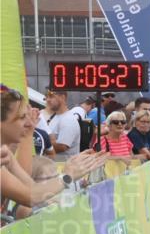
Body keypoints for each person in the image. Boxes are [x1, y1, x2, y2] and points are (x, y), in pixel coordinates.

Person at [0, 89, 107, 221]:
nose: (29, 123)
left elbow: (31, 186)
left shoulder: (6, 154)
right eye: (22, 117)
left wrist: (28, 134)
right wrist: (67, 176)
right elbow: (30, 196)